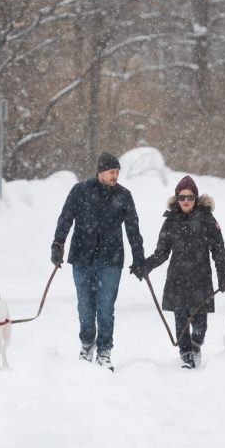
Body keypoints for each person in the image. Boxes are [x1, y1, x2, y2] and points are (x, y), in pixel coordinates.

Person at [51, 152, 145, 371]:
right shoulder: (80, 191)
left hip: (111, 260)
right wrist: (57, 244)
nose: (115, 176)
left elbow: (133, 229)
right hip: (82, 258)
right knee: (85, 306)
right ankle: (86, 346)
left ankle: (104, 351)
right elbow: (65, 218)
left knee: (105, 308)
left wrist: (138, 257)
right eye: (112, 172)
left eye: (118, 172)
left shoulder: (124, 196)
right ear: (101, 171)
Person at [136, 175, 225, 369]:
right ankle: (186, 355)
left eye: (189, 197)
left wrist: (223, 278)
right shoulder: (170, 221)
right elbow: (161, 253)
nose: (186, 201)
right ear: (177, 200)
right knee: (181, 323)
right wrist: (145, 266)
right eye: (182, 197)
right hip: (177, 280)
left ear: (196, 198)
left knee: (199, 326)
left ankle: (196, 346)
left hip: (201, 280)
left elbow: (219, 251)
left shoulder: (207, 219)